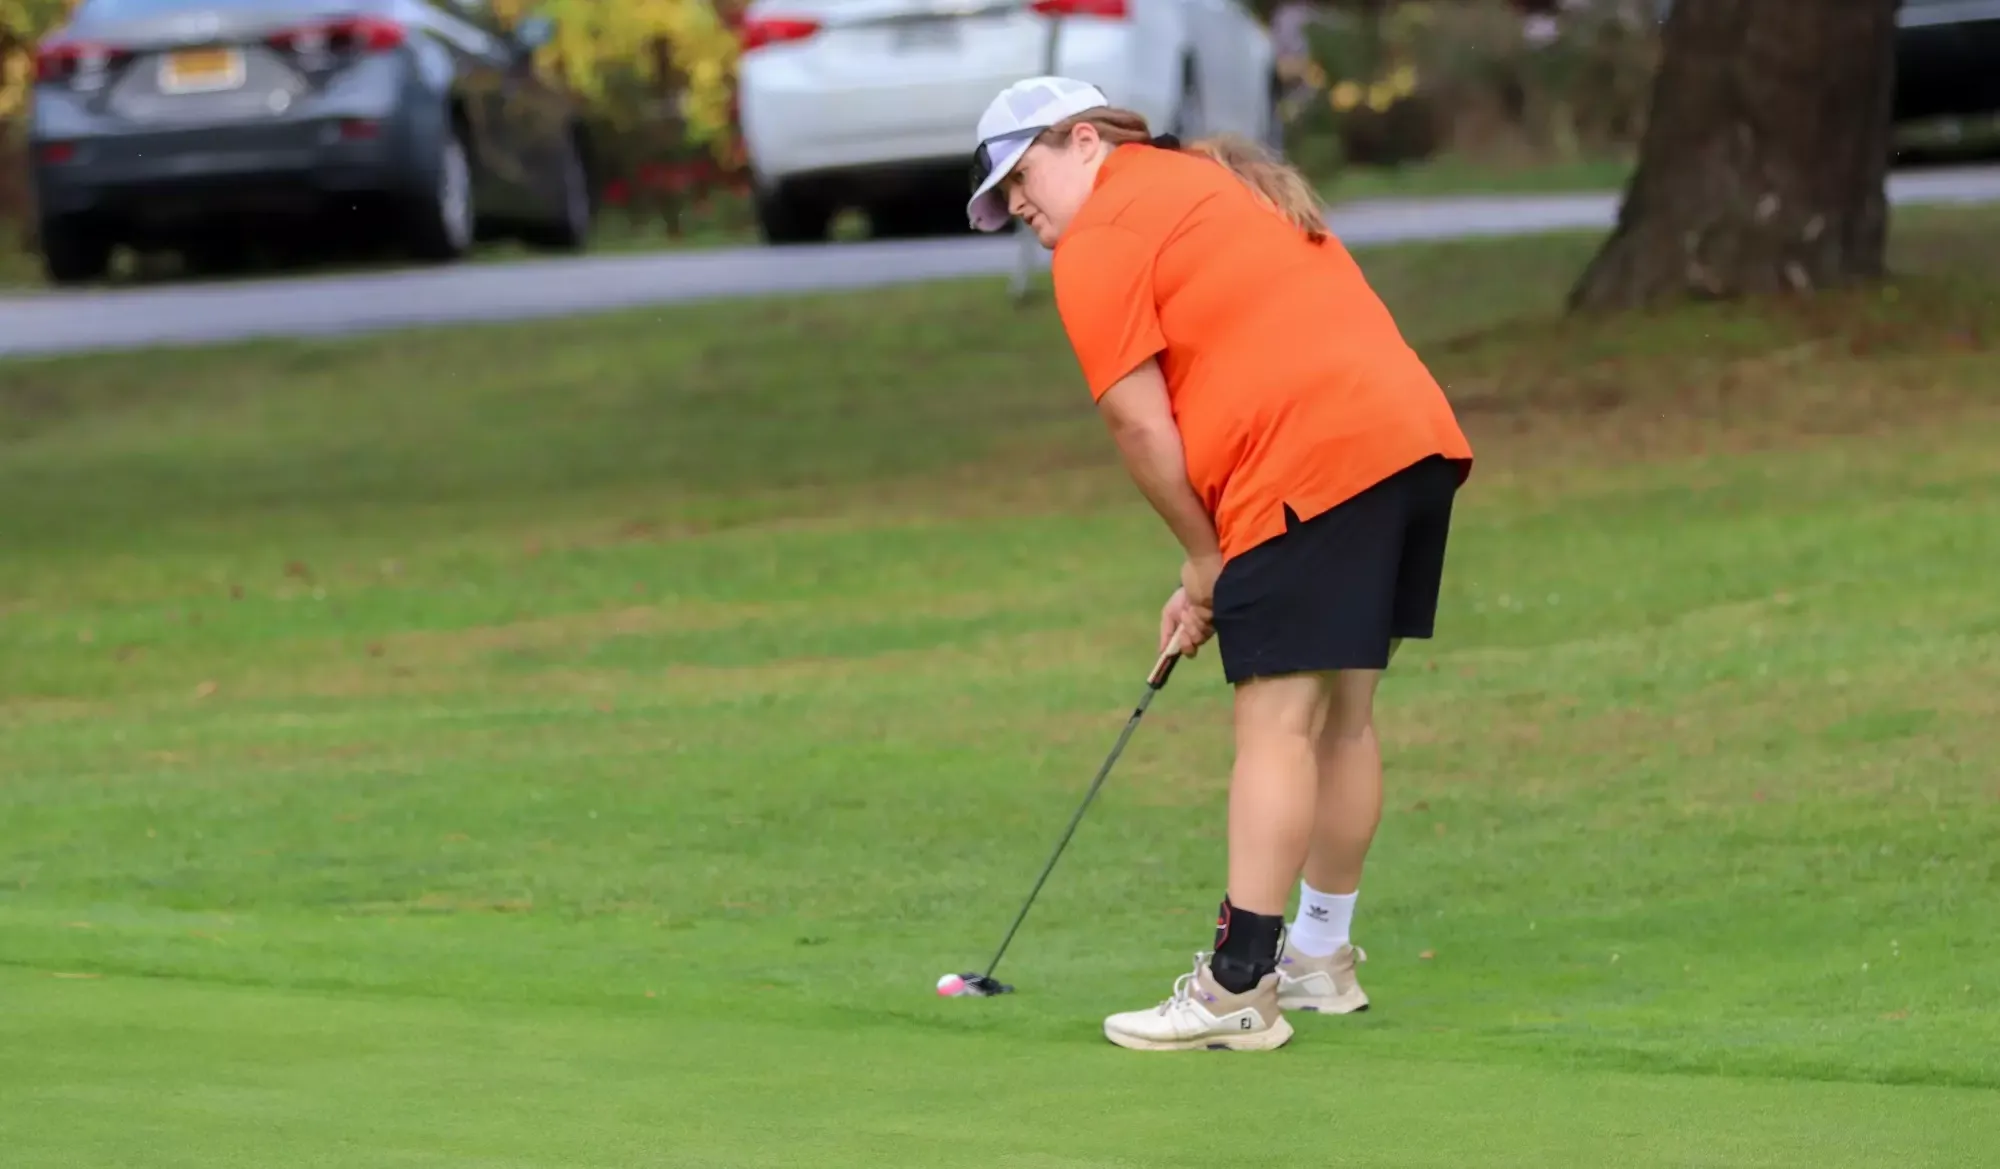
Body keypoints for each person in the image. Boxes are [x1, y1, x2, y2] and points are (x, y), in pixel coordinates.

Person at [965, 76, 1475, 1053]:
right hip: (1405, 442)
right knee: (1342, 715)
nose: (1018, 205)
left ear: (1082, 141)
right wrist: (1210, 564)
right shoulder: (1211, 182)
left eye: (1022, 175)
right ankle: (1318, 956)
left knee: (1276, 721)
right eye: (1002, 197)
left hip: (1310, 460)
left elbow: (1133, 417)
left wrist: (1205, 557)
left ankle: (1238, 983)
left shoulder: (1102, 235)